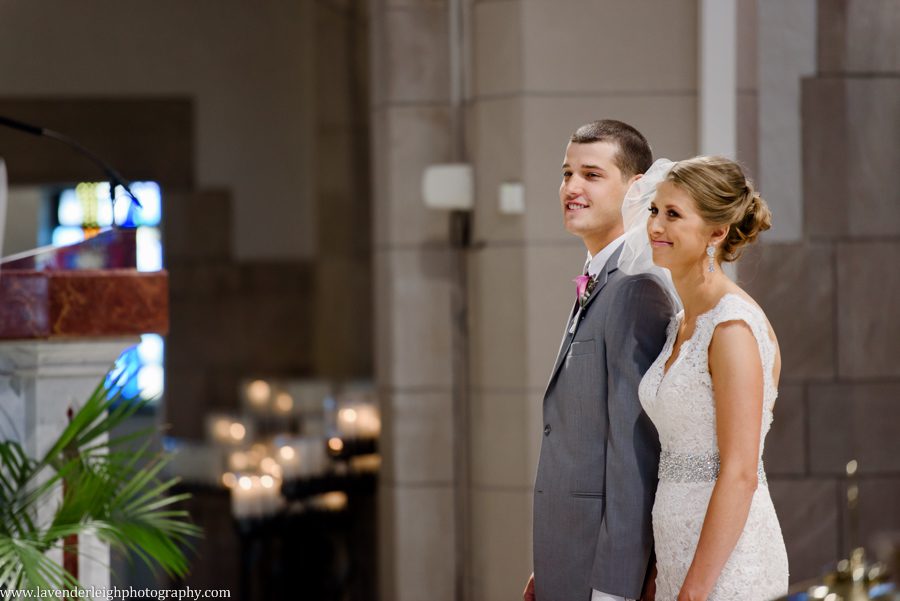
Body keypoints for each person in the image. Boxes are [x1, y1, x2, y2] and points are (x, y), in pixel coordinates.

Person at [525, 120, 675, 601]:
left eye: (591, 175)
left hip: (604, 578)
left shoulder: (636, 290)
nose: (571, 187)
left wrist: (615, 589)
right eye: (567, 173)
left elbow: (635, 454)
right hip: (568, 559)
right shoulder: (602, 279)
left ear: (636, 188)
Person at [634, 155, 789, 600]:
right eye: (654, 211)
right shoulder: (681, 321)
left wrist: (693, 592)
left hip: (729, 566)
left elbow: (740, 472)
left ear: (716, 233)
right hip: (676, 554)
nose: (655, 227)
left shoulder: (731, 326)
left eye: (673, 215)